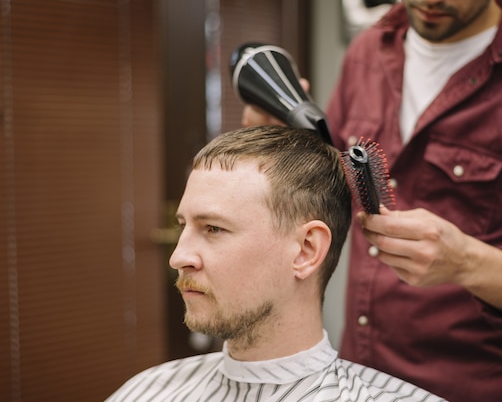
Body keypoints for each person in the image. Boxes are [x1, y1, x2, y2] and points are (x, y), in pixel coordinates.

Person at [242, 0, 502, 400]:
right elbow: (329, 187)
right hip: (355, 383)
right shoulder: (367, 53)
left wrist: (466, 261)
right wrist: (277, 144)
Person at [105, 126, 445, 402]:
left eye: (213, 228)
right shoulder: (147, 391)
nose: (178, 257)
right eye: (184, 226)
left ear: (306, 251)